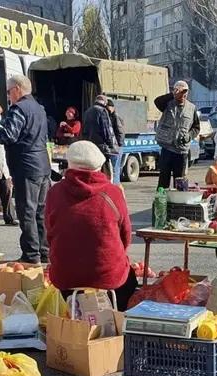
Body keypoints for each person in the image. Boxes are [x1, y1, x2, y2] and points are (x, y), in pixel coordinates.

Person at [44, 141, 138, 310]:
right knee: (130, 281)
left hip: (66, 278)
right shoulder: (113, 193)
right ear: (99, 165)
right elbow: (126, 236)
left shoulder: (54, 193)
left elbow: (50, 233)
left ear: (70, 164)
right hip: (109, 279)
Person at [0, 75, 51, 265]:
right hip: (42, 165)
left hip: (26, 166)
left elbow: (8, 135)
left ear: (17, 89)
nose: (8, 96)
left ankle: (31, 255)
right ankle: (44, 251)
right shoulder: (39, 108)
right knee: (40, 211)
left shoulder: (18, 109)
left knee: (27, 212)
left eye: (8, 91)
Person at [153, 80, 199, 189]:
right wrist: (172, 94)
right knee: (163, 180)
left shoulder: (192, 108)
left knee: (180, 181)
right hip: (167, 148)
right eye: (180, 92)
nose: (182, 95)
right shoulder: (167, 104)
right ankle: (162, 202)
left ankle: (178, 203)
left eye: (184, 92)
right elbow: (157, 101)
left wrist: (189, 136)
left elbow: (196, 128)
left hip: (181, 151)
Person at [82, 94, 119, 180]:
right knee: (105, 171)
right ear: (104, 102)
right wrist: (111, 145)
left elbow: (84, 130)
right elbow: (107, 130)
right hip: (101, 146)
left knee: (94, 168)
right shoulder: (102, 111)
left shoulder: (87, 111)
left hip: (90, 145)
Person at [106, 99, 125, 184]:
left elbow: (120, 131)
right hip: (113, 146)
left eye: (108, 107)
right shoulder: (109, 116)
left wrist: (118, 145)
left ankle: (115, 186)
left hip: (116, 147)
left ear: (113, 107)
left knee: (114, 169)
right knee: (113, 169)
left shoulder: (115, 117)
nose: (107, 109)